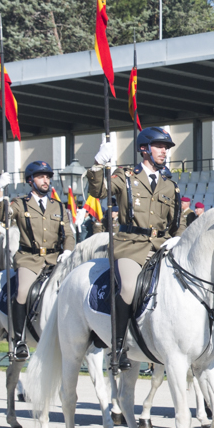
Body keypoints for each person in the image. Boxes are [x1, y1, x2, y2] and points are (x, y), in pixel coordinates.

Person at [87, 127, 181, 371]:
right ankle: (118, 348)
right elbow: (98, 191)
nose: (164, 151)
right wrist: (98, 164)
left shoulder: (170, 185)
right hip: (131, 246)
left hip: (161, 247)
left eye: (166, 148)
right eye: (160, 146)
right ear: (144, 149)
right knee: (128, 288)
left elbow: (175, 223)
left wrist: (174, 241)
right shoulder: (125, 176)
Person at [4, 160, 74, 362]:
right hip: (30, 259)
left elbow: (68, 234)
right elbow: (4, 217)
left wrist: (68, 250)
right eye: (41, 177)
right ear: (30, 180)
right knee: (23, 291)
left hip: (55, 259)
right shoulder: (20, 204)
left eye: (48, 177)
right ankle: (18, 340)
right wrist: (0, 195)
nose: (46, 181)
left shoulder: (59, 207)